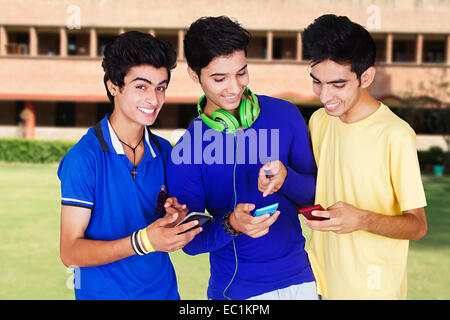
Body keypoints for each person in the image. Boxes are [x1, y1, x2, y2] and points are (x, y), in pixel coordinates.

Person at [167, 16, 318, 300]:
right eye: (219, 78)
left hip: (303, 283)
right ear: (193, 74)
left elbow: (314, 198)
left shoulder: (285, 115)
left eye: (242, 73)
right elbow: (189, 241)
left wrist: (287, 178)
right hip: (237, 292)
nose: (234, 88)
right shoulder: (187, 151)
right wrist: (231, 224)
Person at [57, 31, 202, 300]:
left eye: (160, 87)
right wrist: (143, 241)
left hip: (164, 293)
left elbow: (163, 222)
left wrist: (175, 216)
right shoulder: (84, 159)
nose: (154, 99)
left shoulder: (165, 152)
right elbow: (70, 252)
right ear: (114, 85)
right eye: (141, 86)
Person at [302, 14, 428, 299]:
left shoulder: (395, 134)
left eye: (337, 84)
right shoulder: (320, 121)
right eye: (317, 82)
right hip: (319, 284)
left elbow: (418, 226)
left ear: (366, 77)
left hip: (372, 291)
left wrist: (362, 220)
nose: (324, 96)